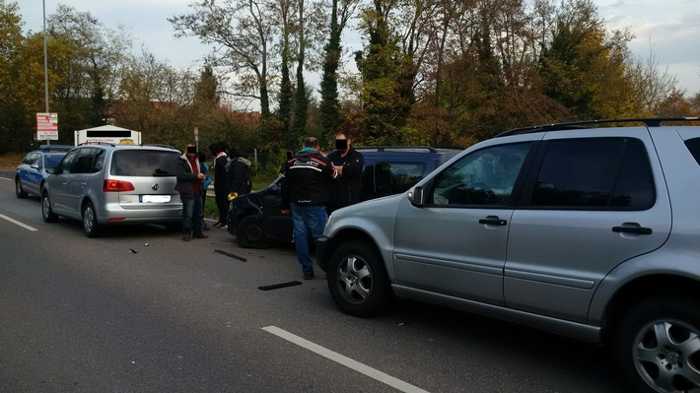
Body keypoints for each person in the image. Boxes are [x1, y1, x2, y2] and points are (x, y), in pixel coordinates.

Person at [281, 137, 336, 280]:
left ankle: (307, 270)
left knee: (300, 236)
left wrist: (285, 205)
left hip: (296, 204)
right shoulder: (323, 161)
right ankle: (328, 269)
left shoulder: (291, 162)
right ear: (317, 147)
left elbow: (284, 185)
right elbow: (334, 176)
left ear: (303, 146)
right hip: (315, 204)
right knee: (321, 238)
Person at [175, 145, 207, 241]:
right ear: (186, 151)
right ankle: (187, 233)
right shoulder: (181, 161)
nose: (192, 153)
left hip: (198, 190)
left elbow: (202, 170)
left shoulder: (197, 160)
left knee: (198, 212)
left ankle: (198, 232)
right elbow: (181, 175)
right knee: (188, 213)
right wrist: (196, 176)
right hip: (187, 190)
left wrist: (203, 175)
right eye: (190, 150)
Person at [327, 132, 364, 210]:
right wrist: (341, 168)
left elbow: (352, 170)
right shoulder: (331, 156)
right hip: (333, 202)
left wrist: (335, 168)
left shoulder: (357, 156)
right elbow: (326, 171)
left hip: (351, 202)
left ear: (348, 141)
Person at [211, 143, 229, 228]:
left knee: (223, 203)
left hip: (222, 186)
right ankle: (221, 220)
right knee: (220, 203)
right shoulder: (220, 158)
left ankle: (224, 221)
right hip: (220, 185)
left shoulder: (221, 159)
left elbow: (224, 174)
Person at [198, 151, 212, 231]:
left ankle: (200, 222)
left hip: (199, 187)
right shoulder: (205, 165)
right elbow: (208, 177)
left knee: (199, 205)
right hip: (203, 187)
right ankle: (201, 222)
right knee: (201, 205)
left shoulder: (199, 165)